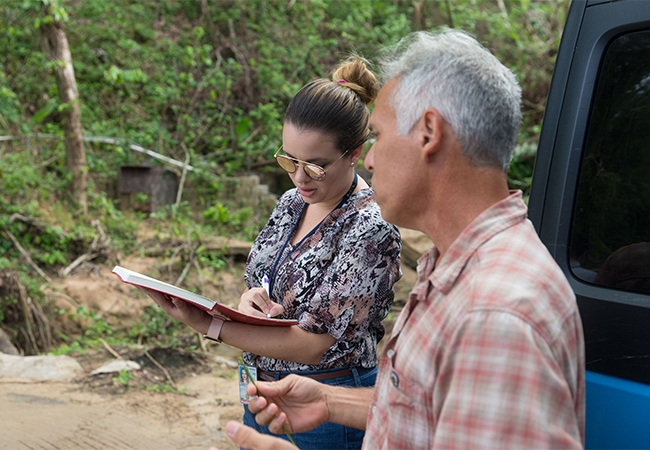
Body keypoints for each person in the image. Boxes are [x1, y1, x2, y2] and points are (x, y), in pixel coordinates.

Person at [215, 28, 586, 449]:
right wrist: (330, 400)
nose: (369, 159)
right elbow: (429, 409)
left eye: (380, 135)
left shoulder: (496, 314)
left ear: (429, 133)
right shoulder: (460, 272)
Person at [139, 56, 402, 450]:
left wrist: (212, 326)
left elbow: (316, 343)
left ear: (354, 153)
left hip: (329, 406)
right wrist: (252, 300)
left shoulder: (370, 228)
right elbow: (263, 278)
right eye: (290, 160)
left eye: (316, 167)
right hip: (262, 394)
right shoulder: (291, 203)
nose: (299, 178)